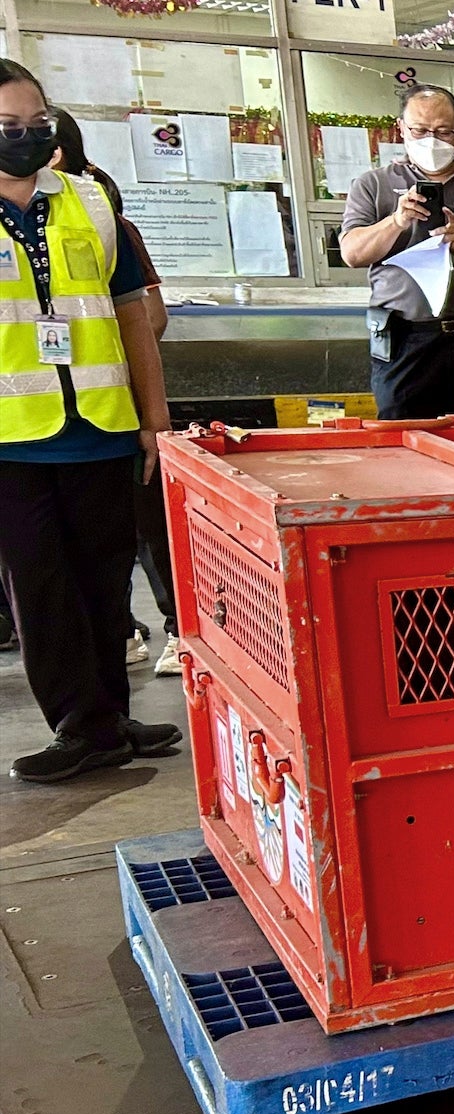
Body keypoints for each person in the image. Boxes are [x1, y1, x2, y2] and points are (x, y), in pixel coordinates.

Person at [0, 61, 177, 781]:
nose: (28, 135)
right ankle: (80, 723)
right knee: (42, 591)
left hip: (100, 429)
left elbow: (134, 316)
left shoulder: (90, 200)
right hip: (14, 442)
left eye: (36, 119)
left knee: (107, 585)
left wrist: (154, 418)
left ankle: (110, 716)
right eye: (8, 126)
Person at [55, 107, 180, 672]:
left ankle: (174, 626)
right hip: (31, 427)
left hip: (112, 408)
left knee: (143, 527)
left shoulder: (102, 217)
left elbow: (146, 316)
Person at [339, 86, 454, 421]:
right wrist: (396, 221)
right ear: (401, 129)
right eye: (420, 130)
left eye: (444, 131)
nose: (432, 139)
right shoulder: (373, 185)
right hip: (404, 339)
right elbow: (352, 253)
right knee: (403, 443)